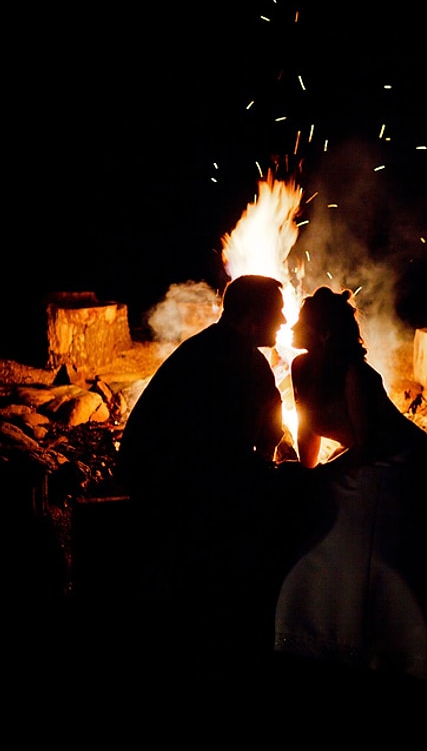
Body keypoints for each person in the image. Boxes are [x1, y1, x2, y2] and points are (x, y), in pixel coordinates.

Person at [274, 286, 427, 692]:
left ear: (325, 335)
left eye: (302, 322)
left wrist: (323, 479)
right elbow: (307, 425)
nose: (292, 327)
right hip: (358, 459)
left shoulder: (357, 374)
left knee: (370, 539)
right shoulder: (299, 366)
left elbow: (368, 445)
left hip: (396, 459)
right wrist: (308, 473)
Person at [113, 274, 333, 679]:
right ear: (252, 317)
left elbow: (267, 433)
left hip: (177, 479)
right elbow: (233, 455)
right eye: (277, 311)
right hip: (172, 489)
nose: (285, 320)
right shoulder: (230, 361)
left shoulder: (221, 351)